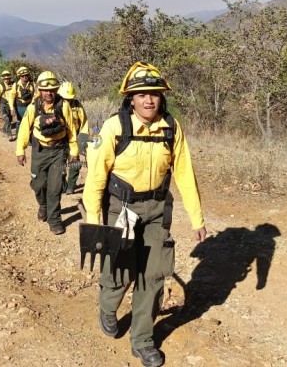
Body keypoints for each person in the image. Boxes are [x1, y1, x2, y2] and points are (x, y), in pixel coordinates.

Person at [82, 61, 206, 367]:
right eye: (142, 94)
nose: (149, 99)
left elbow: (185, 173)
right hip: (120, 208)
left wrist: (197, 218)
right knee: (120, 271)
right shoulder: (115, 127)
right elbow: (97, 178)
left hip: (156, 210)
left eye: (155, 94)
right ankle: (108, 307)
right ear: (131, 99)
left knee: (152, 277)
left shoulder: (171, 128)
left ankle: (142, 340)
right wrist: (96, 223)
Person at [16, 71, 78, 235]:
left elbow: (71, 129)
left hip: (58, 151)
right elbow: (24, 128)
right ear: (39, 90)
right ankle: (43, 206)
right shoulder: (33, 107)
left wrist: (74, 151)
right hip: (40, 151)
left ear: (56, 90)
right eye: (45, 89)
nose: (49, 93)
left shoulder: (63, 106)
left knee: (56, 187)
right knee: (38, 184)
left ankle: (55, 219)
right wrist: (20, 150)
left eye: (52, 89)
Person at [58, 80, 88, 194]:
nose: (68, 100)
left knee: (74, 162)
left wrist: (83, 139)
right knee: (59, 164)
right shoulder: (56, 105)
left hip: (73, 137)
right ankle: (61, 185)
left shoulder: (77, 105)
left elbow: (84, 123)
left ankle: (71, 185)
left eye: (70, 98)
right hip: (60, 139)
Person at [10, 66, 36, 135]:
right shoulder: (16, 85)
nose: (25, 77)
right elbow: (11, 97)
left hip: (30, 105)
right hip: (19, 106)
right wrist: (12, 108)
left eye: (26, 75)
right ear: (20, 76)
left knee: (30, 121)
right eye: (22, 76)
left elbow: (35, 95)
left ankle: (29, 137)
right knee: (20, 121)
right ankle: (19, 135)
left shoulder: (32, 84)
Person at [0, 70, 17, 141]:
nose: (7, 80)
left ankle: (4, 130)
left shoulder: (14, 84)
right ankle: (9, 134)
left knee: (10, 119)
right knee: (7, 119)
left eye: (8, 78)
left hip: (11, 105)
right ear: (3, 79)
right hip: (3, 105)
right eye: (5, 78)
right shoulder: (0, 86)